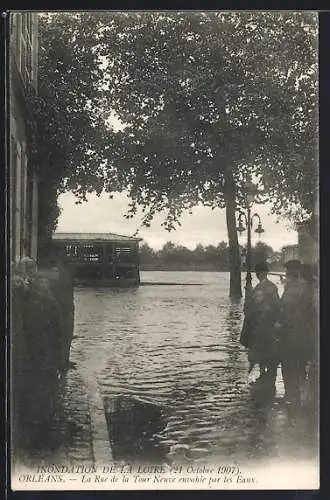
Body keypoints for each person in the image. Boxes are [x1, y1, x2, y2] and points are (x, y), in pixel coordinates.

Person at [279, 260, 315, 410]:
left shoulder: (294, 288)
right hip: (301, 334)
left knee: (289, 365)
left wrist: (281, 324)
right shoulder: (306, 287)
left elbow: (289, 311)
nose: (286, 274)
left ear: (292, 272)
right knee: (298, 365)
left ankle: (292, 397)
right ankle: (298, 396)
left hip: (292, 333)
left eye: (288, 271)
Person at [240, 262, 281, 393]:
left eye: (260, 272)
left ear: (264, 273)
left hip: (266, 323)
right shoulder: (259, 287)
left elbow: (276, 306)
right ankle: (264, 375)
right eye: (258, 272)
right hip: (258, 324)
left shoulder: (270, 287)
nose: (258, 275)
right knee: (259, 349)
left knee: (266, 350)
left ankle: (268, 377)